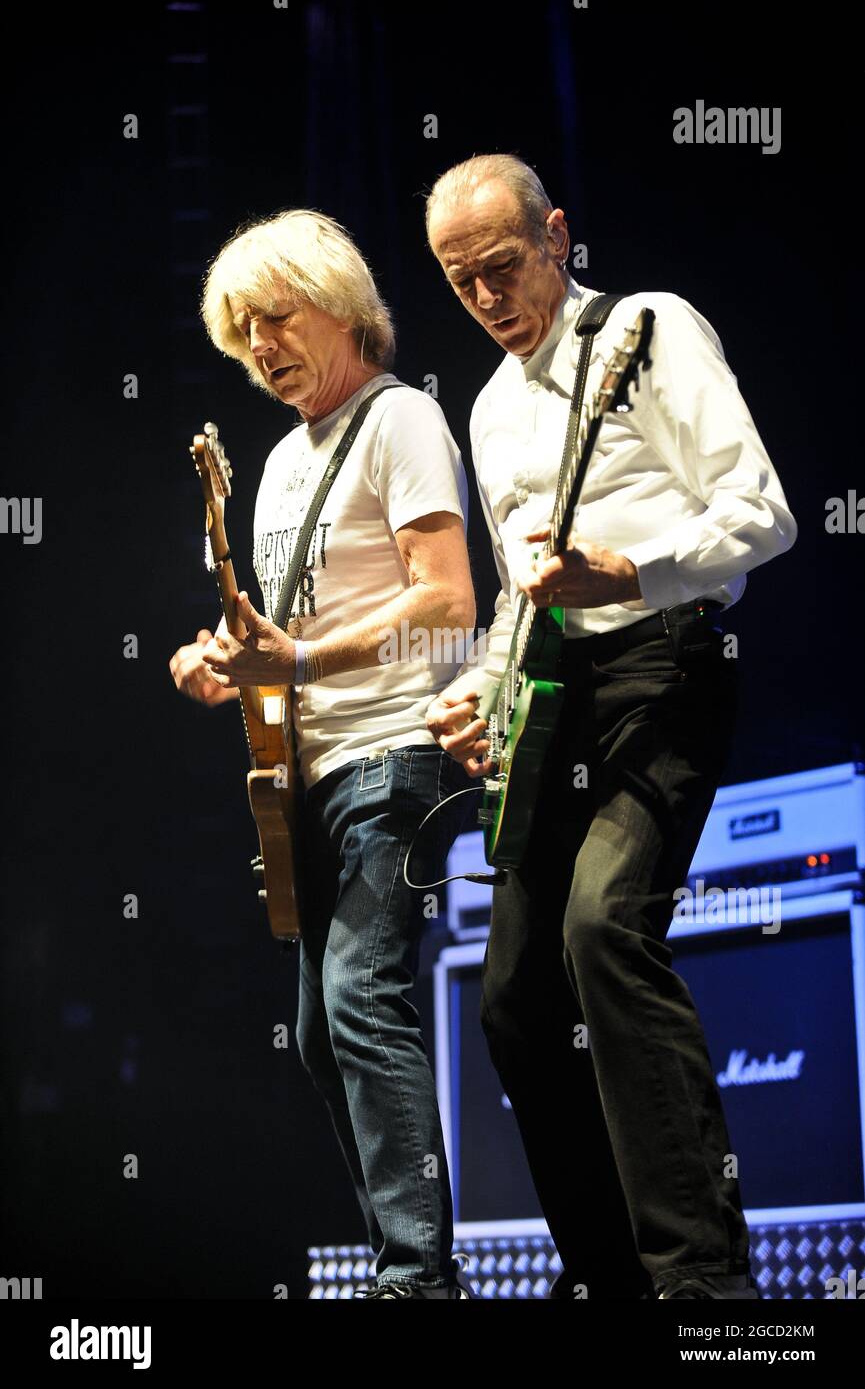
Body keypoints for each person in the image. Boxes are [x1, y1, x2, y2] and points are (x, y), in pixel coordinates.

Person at [424, 154, 797, 1301]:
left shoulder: (646, 329)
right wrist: (477, 696)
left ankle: (703, 1284)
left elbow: (764, 515)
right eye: (458, 280)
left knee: (603, 930)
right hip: (552, 699)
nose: (486, 298)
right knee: (512, 1000)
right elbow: (512, 599)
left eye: (500, 267)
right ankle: (606, 1284)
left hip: (664, 665)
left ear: (556, 236)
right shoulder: (486, 409)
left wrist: (627, 568)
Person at [169, 209, 477, 1298]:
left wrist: (296, 661)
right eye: (243, 330)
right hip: (312, 772)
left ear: (341, 304)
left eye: (278, 317)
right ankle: (412, 1256)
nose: (262, 346)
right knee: (316, 1037)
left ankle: (416, 1276)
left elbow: (447, 607)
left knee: (359, 1001)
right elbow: (288, 634)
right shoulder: (277, 461)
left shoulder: (401, 422)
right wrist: (225, 661)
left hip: (398, 752)